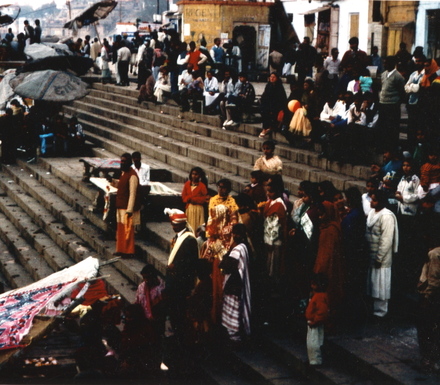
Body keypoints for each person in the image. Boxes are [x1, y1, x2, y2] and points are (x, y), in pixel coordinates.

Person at [162, 208, 198, 371]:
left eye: (173, 223)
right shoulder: (178, 238)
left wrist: (177, 268)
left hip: (181, 286)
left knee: (180, 318)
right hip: (173, 285)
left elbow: (191, 264)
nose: (171, 226)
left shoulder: (189, 240)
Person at [366, 190, 399, 318]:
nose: (371, 202)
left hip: (382, 258)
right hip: (371, 254)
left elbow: (386, 240)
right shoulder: (372, 213)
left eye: (374, 200)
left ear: (381, 201)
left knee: (381, 285)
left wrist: (379, 257)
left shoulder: (386, 216)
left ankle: (380, 313)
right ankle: (373, 309)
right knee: (373, 283)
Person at [220, 223, 251, 343]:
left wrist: (230, 248)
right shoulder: (245, 246)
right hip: (237, 285)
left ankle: (235, 339)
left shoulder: (237, 249)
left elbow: (225, 265)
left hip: (234, 286)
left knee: (232, 315)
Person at [108, 153, 142, 258]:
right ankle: (120, 249)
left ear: (129, 163)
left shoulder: (132, 176)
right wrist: (112, 181)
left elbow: (133, 194)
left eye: (124, 161)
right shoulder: (124, 173)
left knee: (127, 230)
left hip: (127, 207)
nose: (122, 163)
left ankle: (128, 251)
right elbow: (121, 186)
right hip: (120, 205)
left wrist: (129, 210)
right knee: (121, 229)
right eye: (121, 161)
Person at [378, 56, 406, 151]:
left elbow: (402, 91)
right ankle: (383, 147)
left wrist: (396, 101)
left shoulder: (398, 77)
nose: (384, 65)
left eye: (386, 63)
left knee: (392, 128)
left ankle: (392, 148)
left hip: (392, 105)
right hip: (383, 103)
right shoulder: (383, 74)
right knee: (383, 127)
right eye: (384, 63)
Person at [305, 273, 329, 366]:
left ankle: (316, 361)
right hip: (312, 323)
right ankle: (312, 359)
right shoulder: (316, 295)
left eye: (314, 284)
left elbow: (322, 312)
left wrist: (315, 321)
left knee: (314, 343)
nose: (312, 286)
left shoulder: (320, 297)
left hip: (315, 324)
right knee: (311, 342)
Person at [259, 72, 287, 138]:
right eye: (271, 77)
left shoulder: (279, 87)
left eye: (274, 77)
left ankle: (269, 127)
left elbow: (281, 99)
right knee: (264, 109)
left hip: (277, 105)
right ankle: (265, 128)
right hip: (268, 104)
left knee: (271, 110)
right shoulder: (268, 85)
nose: (272, 78)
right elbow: (264, 96)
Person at [181, 167, 209, 233]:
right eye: (193, 174)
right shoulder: (187, 184)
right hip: (189, 208)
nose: (194, 176)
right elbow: (183, 196)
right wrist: (189, 199)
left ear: (199, 176)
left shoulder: (202, 186)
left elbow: (205, 198)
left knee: (197, 227)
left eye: (196, 174)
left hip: (198, 209)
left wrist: (195, 200)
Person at [131, 151, 150, 236]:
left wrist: (140, 185)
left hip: (143, 188)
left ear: (140, 158)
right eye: (134, 159)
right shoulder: (131, 168)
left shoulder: (146, 167)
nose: (136, 160)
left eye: (137, 158)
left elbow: (147, 180)